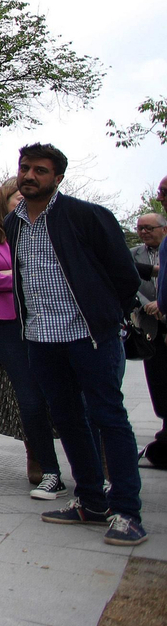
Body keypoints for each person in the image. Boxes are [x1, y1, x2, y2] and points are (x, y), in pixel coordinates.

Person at [8, 144, 148, 545]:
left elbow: (124, 276)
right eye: (25, 168)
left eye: (40, 170)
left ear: (57, 178)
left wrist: (107, 320)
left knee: (108, 418)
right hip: (41, 339)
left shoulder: (86, 216)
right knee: (67, 420)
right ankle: (90, 500)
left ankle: (126, 511)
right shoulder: (13, 221)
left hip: (89, 337)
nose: (30, 175)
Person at [0, 179, 67, 499]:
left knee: (65, 394)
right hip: (6, 326)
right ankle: (44, 465)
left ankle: (91, 466)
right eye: (18, 197)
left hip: (46, 318)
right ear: (3, 203)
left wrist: (12, 274)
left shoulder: (42, 231)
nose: (25, 201)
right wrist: (26, 272)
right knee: (29, 397)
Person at [137, 192, 167, 469]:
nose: (144, 232)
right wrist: (151, 305)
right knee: (157, 381)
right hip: (150, 328)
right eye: (140, 228)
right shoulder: (133, 255)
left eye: (149, 228)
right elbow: (130, 282)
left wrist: (164, 303)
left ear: (163, 229)